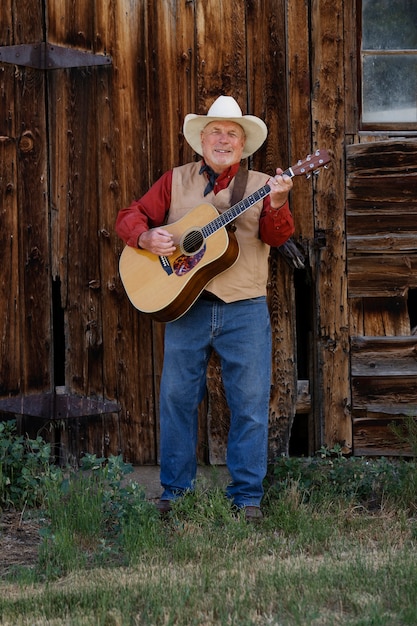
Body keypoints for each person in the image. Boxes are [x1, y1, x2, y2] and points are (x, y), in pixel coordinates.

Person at [115, 95, 294, 520]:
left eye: (232, 133)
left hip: (244, 308)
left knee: (249, 402)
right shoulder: (174, 180)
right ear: (202, 140)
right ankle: (175, 493)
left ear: (242, 143)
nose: (224, 139)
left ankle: (246, 498)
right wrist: (144, 238)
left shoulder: (263, 184)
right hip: (185, 307)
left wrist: (280, 202)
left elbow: (276, 237)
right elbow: (130, 215)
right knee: (177, 399)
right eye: (216, 130)